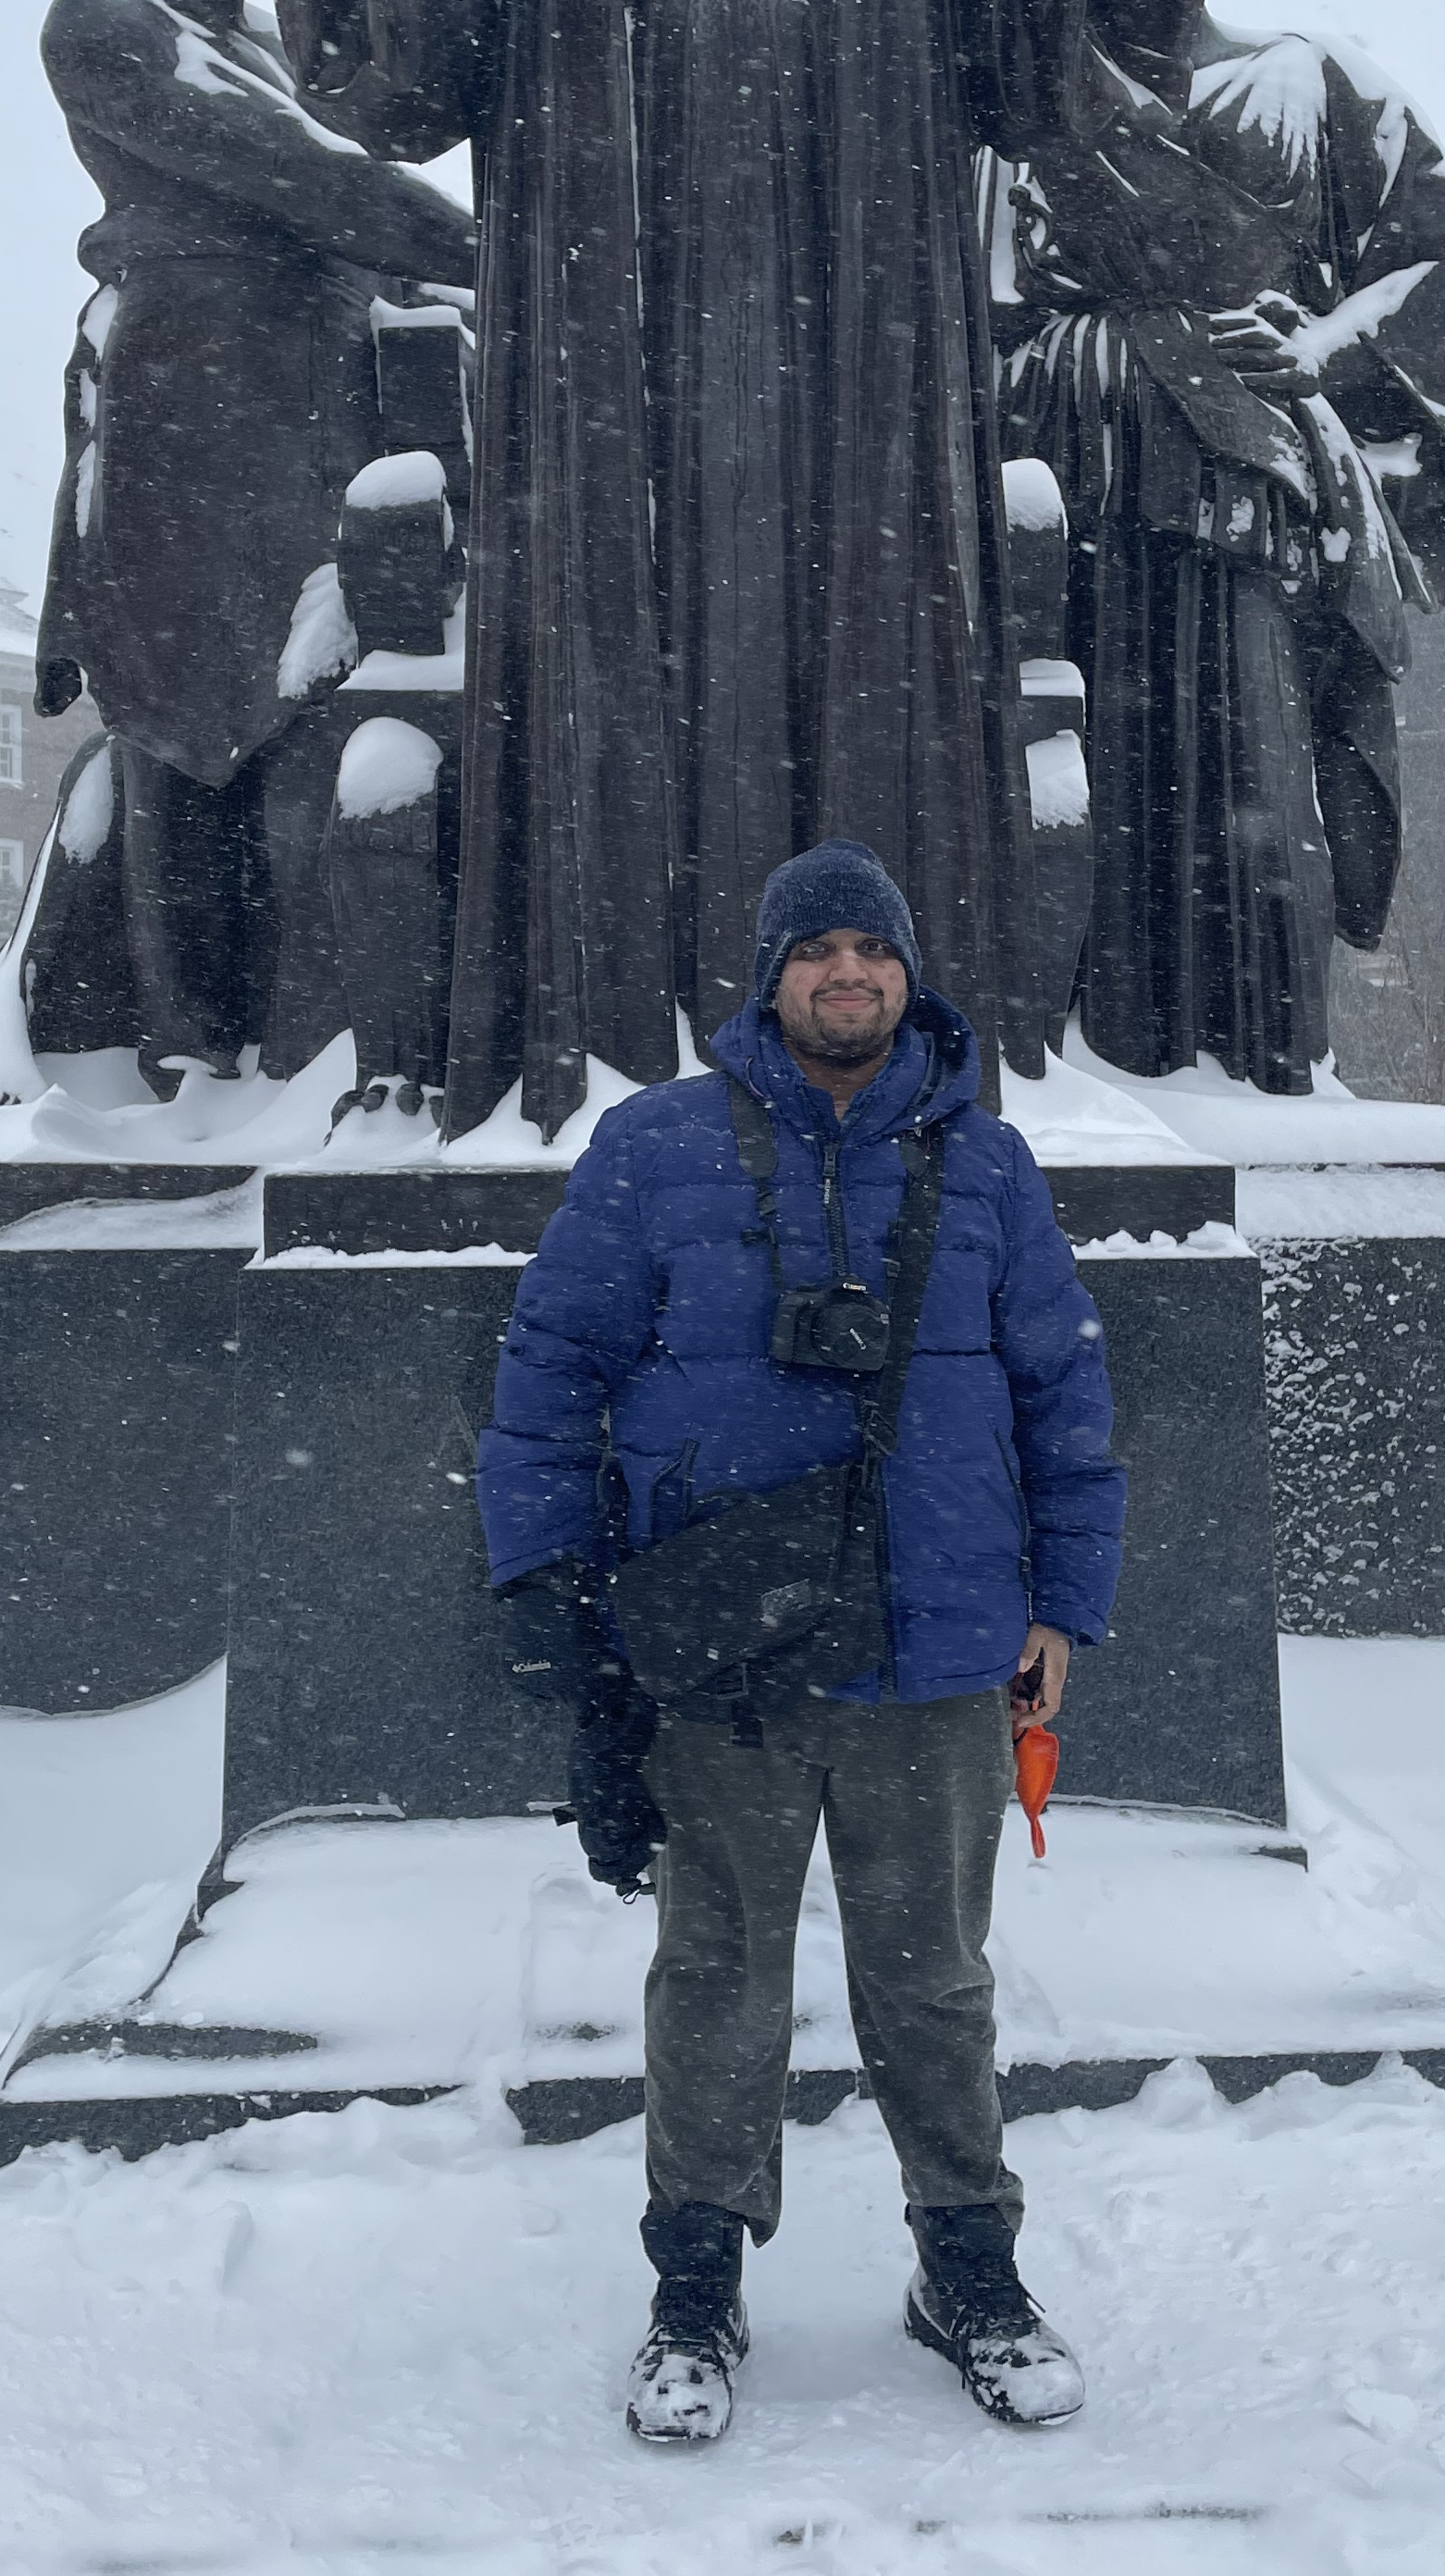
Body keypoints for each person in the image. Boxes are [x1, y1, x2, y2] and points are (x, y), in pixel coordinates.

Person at [17, 0, 1445, 1141]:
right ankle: (609, 1024)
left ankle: (875, 1047)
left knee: (867, 641)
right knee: (610, 638)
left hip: (852, 321)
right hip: (611, 321)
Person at [477, 836, 1127, 2443]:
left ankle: (967, 2266)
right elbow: (548, 1369)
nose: (850, 972)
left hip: (941, 1645)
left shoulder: (987, 1164)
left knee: (934, 1982)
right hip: (726, 1657)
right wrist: (554, 1584)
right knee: (713, 1977)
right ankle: (693, 2285)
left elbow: (1062, 1389)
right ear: (767, 975)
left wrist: (1062, 1597)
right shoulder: (653, 1147)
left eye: (874, 947)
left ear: (908, 971)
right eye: (816, 947)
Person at [33, 0, 474, 1085]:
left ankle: (305, 1036)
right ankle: (183, 1053)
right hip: (194, 400)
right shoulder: (103, 23)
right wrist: (524, 253)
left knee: (317, 694)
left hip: (319, 390)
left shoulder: (279, 52)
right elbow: (316, 184)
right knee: (186, 718)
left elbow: (361, 192)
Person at [992, 13, 1445, 1091]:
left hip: (1241, 503)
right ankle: (1071, 1061)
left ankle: (1255, 1065)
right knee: (1062, 786)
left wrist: (1321, 351)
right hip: (1054, 493)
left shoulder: (1305, 74)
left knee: (1254, 804)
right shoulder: (1010, 80)